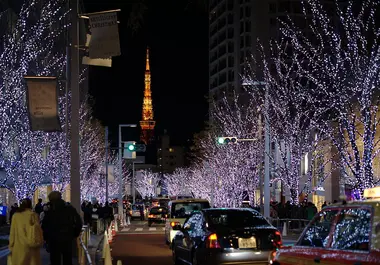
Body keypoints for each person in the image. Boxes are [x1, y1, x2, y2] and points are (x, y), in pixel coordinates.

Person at [42, 191, 82, 265]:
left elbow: (45, 225)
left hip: (53, 239)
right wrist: (74, 234)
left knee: (55, 260)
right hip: (67, 238)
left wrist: (46, 238)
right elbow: (78, 222)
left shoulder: (50, 210)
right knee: (67, 259)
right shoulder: (70, 208)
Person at [9, 198, 42, 265]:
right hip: (32, 245)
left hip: (19, 246)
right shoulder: (34, 215)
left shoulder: (16, 216)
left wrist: (11, 245)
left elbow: (12, 232)